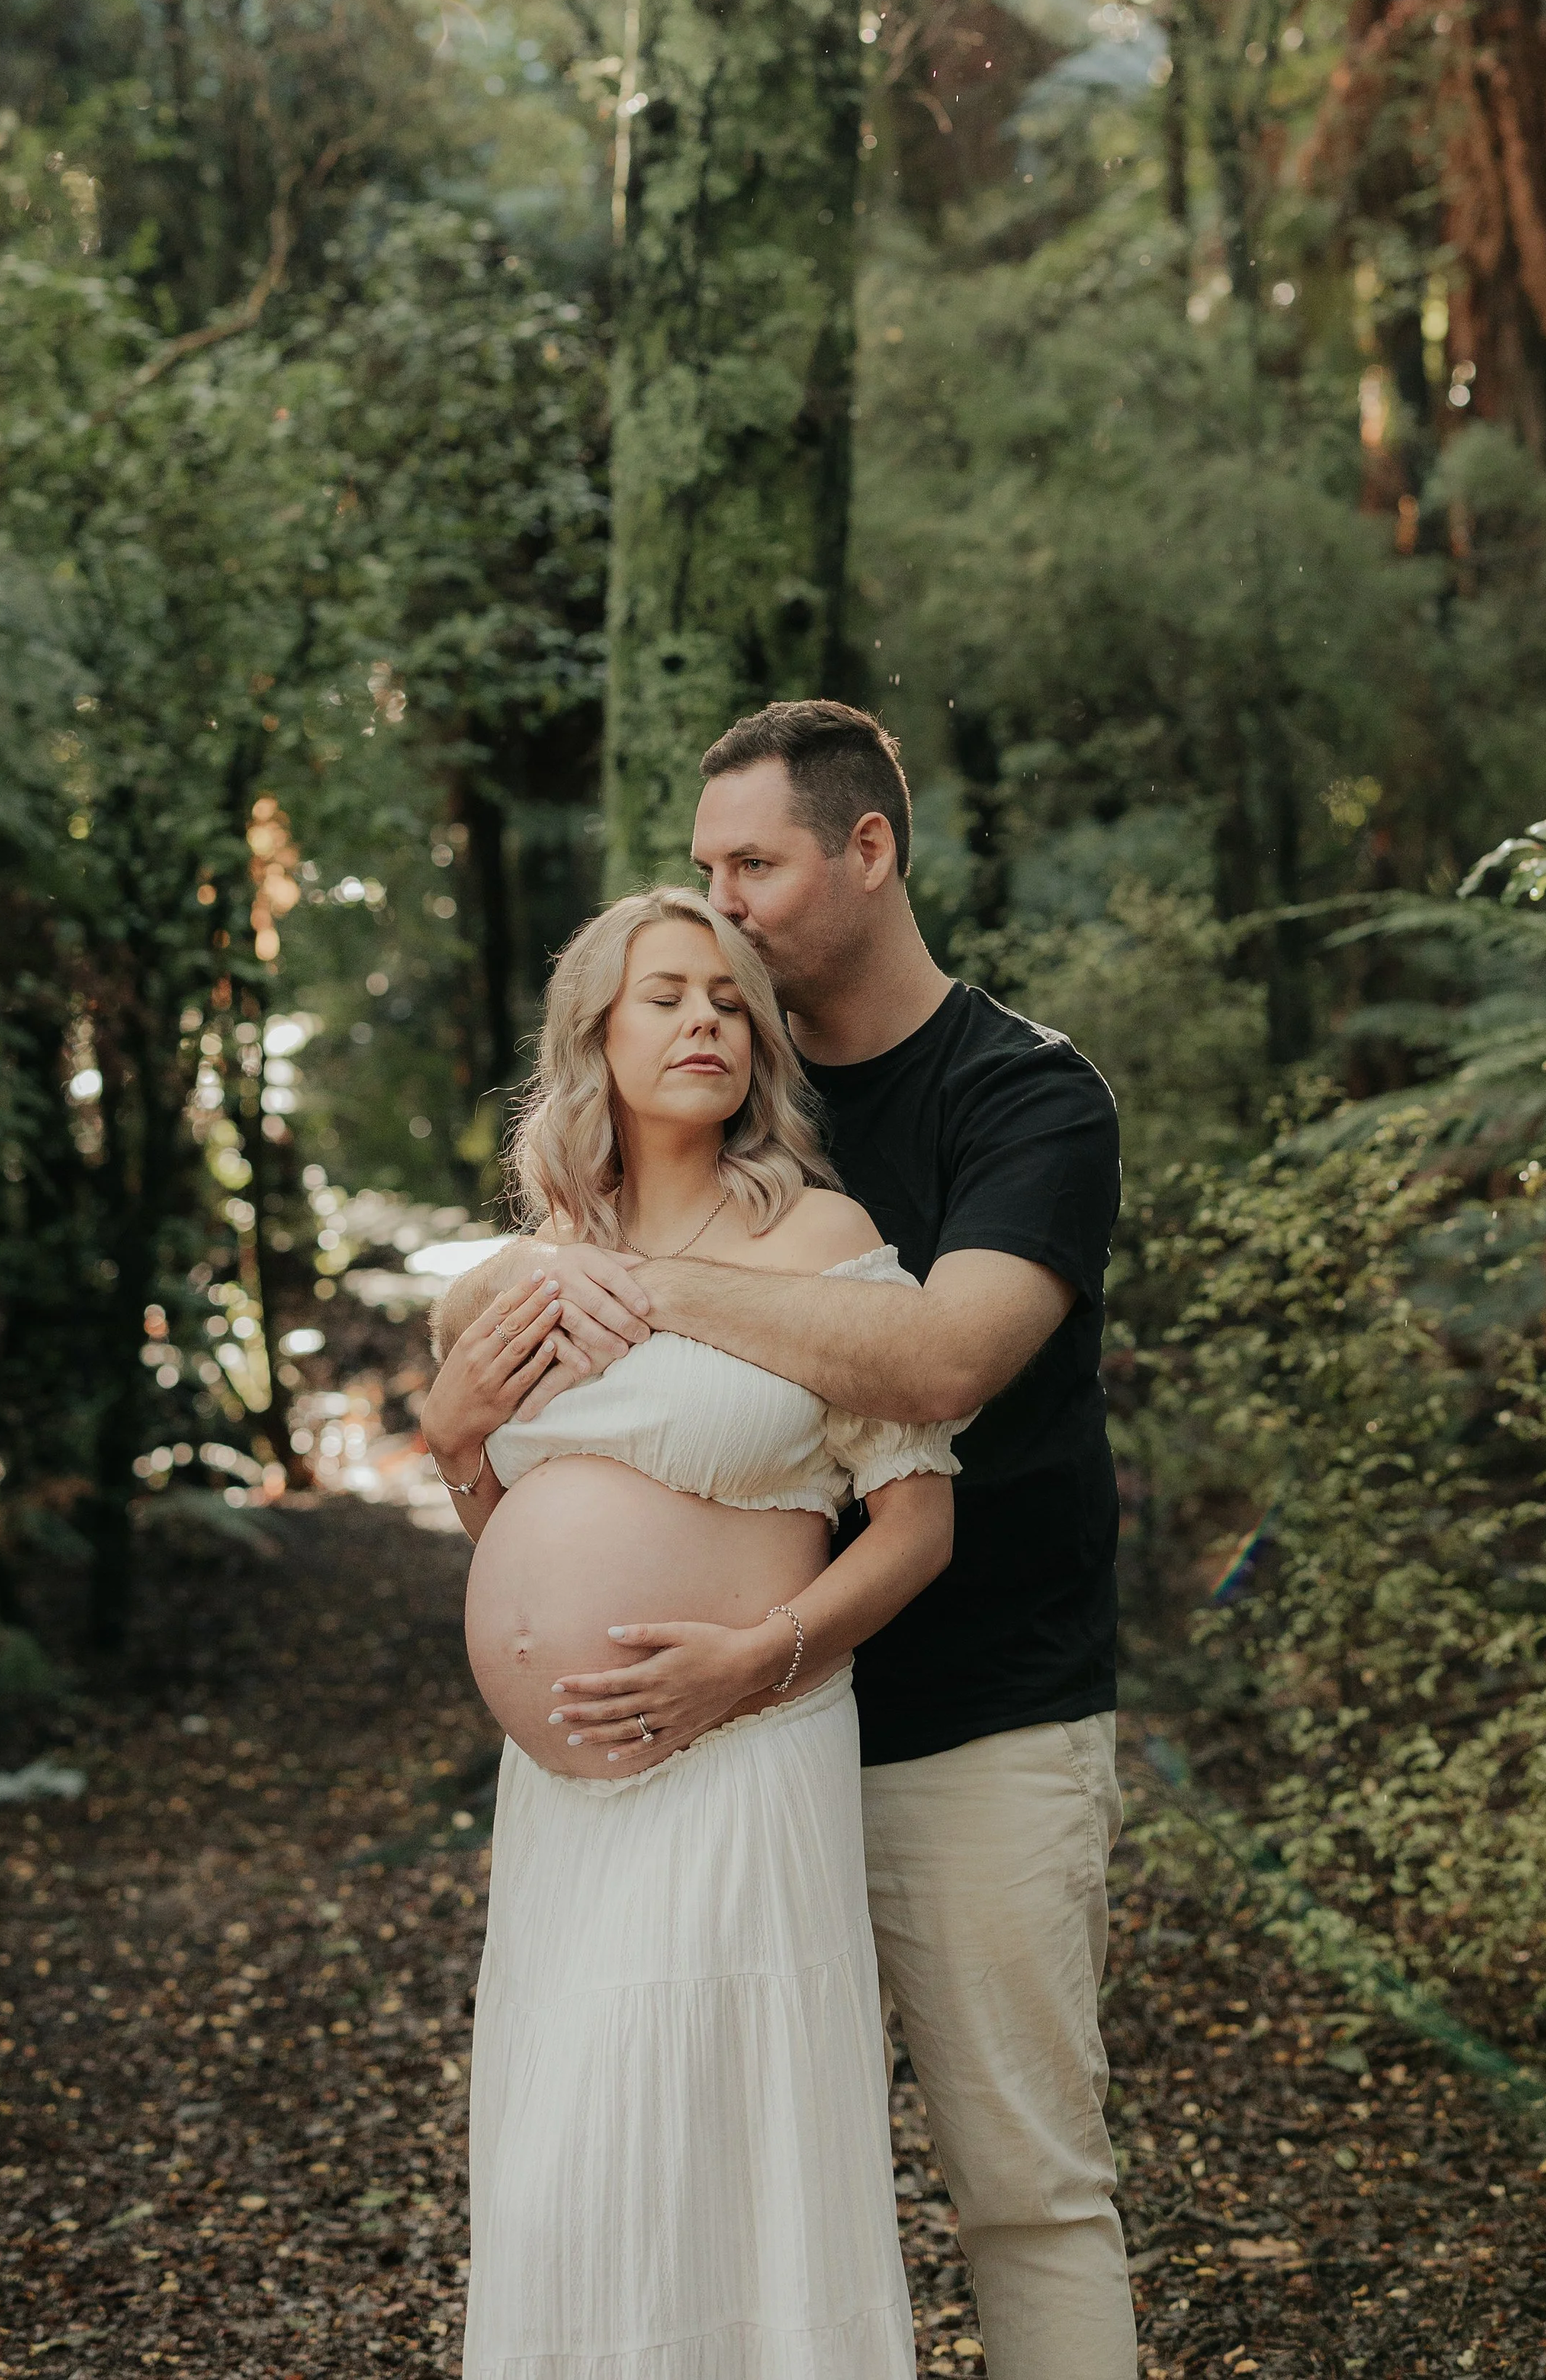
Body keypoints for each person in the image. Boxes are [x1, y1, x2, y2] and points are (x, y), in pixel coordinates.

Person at [437, 701, 1137, 2380]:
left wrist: (658, 1284)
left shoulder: (1021, 1098)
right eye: (700, 879)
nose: (720, 911)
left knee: (1021, 2185)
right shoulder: (715, 1084)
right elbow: (523, 1439)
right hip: (672, 1771)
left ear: (866, 850)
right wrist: (465, 1415)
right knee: (649, 2178)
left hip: (973, 1714)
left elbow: (942, 1367)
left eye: (750, 867)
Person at [421, 882, 970, 2380]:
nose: (703, 1021)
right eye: (664, 994)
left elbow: (917, 1526)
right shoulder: (526, 1275)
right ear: (594, 1034)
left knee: (731, 2155)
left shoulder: (822, 1242)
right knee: (568, 2167)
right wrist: (457, 1448)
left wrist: (756, 1658)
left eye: (729, 997)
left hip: (748, 1757)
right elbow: (508, 1539)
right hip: (572, 1799)